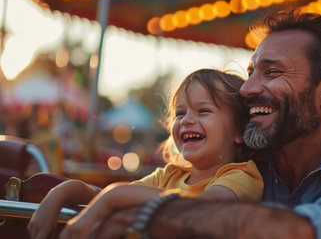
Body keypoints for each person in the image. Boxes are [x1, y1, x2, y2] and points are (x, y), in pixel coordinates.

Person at [90, 10, 321, 239]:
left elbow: (312, 230)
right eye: (251, 72)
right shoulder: (242, 160)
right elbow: (171, 190)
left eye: (271, 73)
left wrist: (155, 216)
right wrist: (76, 196)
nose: (246, 89)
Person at [27, 69, 263, 239]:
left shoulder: (241, 176)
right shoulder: (170, 176)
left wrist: (114, 196)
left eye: (203, 111)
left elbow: (204, 207)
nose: (188, 120)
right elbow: (102, 197)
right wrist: (62, 191)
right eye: (180, 113)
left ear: (239, 131)